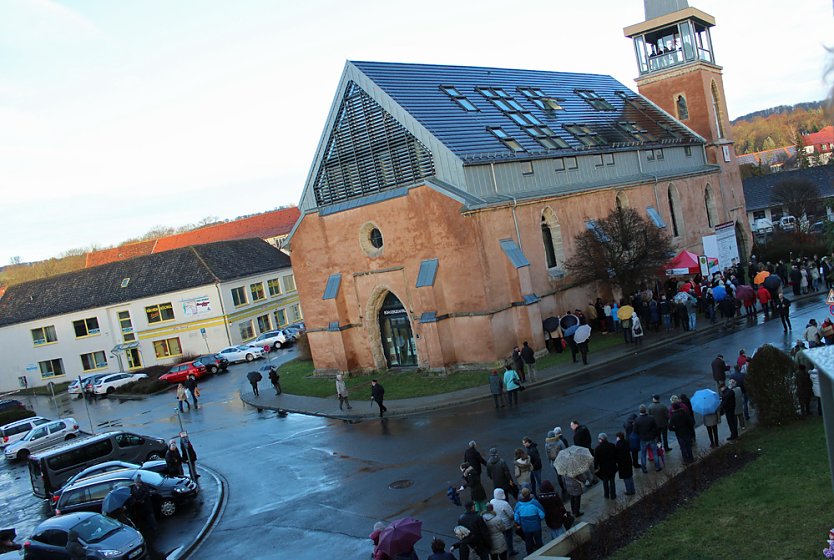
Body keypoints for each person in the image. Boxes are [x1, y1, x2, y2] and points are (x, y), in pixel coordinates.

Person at [513, 487, 545, 555]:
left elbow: (516, 518)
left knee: (528, 541)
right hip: (536, 527)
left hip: (526, 528)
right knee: (539, 540)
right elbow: (542, 514)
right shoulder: (535, 503)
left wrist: (519, 523)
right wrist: (538, 519)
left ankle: (530, 555)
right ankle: (542, 554)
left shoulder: (518, 505)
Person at [489, 489, 517, 557]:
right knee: (508, 537)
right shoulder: (505, 504)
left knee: (502, 537)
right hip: (506, 524)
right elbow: (511, 514)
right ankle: (510, 550)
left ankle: (504, 550)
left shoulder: (492, 501)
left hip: (497, 524)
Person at [634, 404, 661, 473]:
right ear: (645, 410)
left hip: (643, 439)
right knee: (655, 453)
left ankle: (644, 468)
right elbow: (656, 428)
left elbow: (635, 431)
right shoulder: (651, 418)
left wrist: (640, 435)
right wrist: (654, 435)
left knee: (643, 454)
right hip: (651, 438)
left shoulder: (637, 420)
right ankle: (657, 467)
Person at [593, 433, 618, 500]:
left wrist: (595, 468)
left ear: (601, 439)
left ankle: (606, 495)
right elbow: (616, 455)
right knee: (612, 481)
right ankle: (613, 495)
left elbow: (596, 460)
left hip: (603, 468)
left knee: (605, 481)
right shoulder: (612, 445)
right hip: (612, 466)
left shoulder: (597, 449)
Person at [614, 432, 635, 496]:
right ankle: (632, 489)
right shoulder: (626, 442)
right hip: (628, 461)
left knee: (626, 478)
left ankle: (629, 491)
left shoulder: (618, 445)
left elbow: (616, 455)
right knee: (630, 476)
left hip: (622, 463)